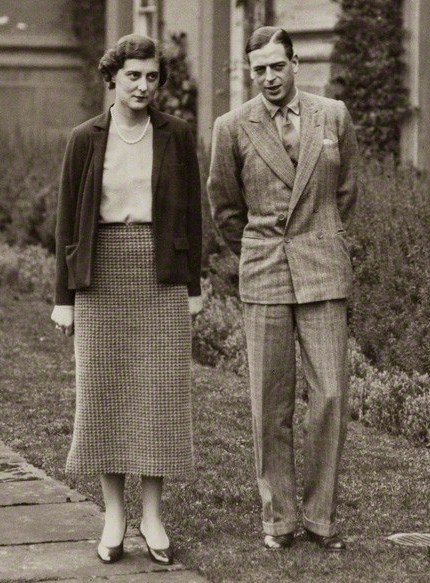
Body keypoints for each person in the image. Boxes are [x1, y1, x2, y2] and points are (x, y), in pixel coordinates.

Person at [51, 33, 202, 565]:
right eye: (133, 75)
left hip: (160, 271)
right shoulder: (85, 138)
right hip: (101, 272)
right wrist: (63, 298)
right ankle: (114, 515)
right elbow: (68, 221)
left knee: (159, 394)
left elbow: (191, 216)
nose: (143, 86)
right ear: (113, 77)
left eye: (152, 76)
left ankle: (153, 515)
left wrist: (195, 287)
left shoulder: (178, 135)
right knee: (105, 390)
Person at [208, 26, 359, 552]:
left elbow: (346, 192)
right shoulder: (231, 127)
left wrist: (320, 238)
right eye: (259, 70)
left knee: (331, 397)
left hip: (323, 271)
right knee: (269, 402)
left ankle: (321, 518)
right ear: (251, 73)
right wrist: (260, 247)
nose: (269, 78)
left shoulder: (332, 115)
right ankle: (279, 519)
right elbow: (225, 208)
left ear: (296, 64)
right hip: (266, 272)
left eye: (277, 66)